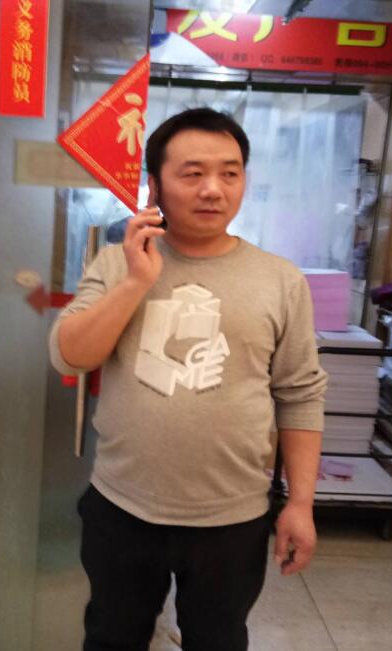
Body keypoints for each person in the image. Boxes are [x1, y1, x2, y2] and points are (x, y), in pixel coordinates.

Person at [49, 107, 327, 651]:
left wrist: (300, 503)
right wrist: (136, 282)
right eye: (192, 173)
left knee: (218, 641)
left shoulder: (281, 280)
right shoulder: (117, 263)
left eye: (230, 173)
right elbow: (69, 357)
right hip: (123, 507)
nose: (213, 190)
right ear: (155, 186)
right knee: (111, 638)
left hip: (232, 516)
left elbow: (300, 395)